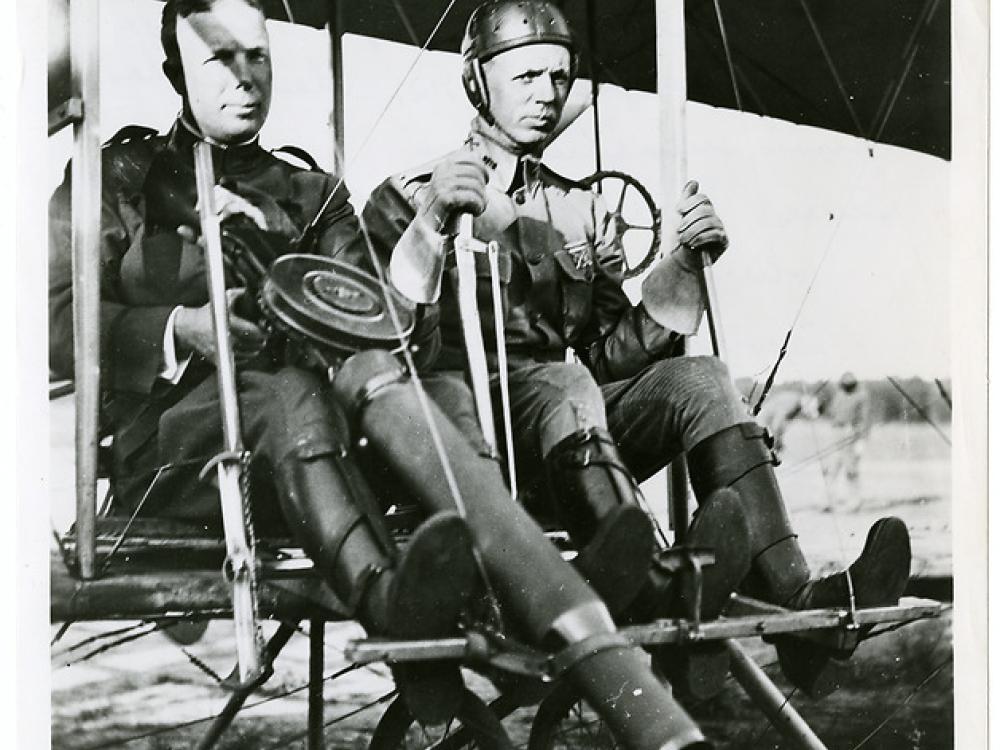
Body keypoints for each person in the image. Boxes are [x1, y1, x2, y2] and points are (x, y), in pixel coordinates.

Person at [48, 2, 718, 742]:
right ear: (175, 70)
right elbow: (45, 326)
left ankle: (494, 587)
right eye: (219, 59)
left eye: (258, 57)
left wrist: (415, 240)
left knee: (441, 386)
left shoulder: (314, 193)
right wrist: (184, 329)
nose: (245, 78)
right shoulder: (114, 179)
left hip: (309, 469)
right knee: (290, 393)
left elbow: (387, 322)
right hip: (174, 468)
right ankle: (393, 597)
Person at [362, 0, 913, 696]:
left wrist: (680, 265)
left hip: (569, 445)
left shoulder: (578, 209)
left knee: (702, 376)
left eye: (559, 78)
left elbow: (608, 356)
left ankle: (799, 604)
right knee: (562, 387)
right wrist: (435, 221)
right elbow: (382, 339)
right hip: (466, 456)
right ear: (477, 82)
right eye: (526, 74)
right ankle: (653, 587)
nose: (546, 94)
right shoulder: (409, 194)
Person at [821, 372, 872, 511]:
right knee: (832, 469)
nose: (847, 386)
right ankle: (830, 501)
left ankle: (855, 502)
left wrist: (861, 441)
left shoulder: (861, 396)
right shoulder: (839, 395)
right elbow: (832, 413)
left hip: (850, 433)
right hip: (836, 432)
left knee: (851, 470)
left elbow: (864, 419)